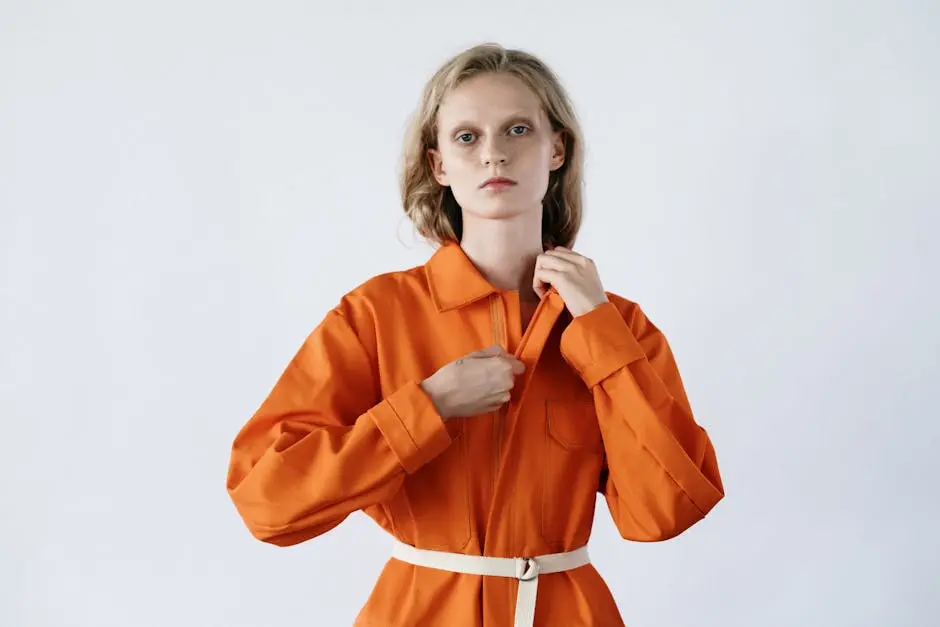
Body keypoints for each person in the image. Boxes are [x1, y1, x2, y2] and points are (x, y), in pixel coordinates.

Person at [225, 42, 724, 627]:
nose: (494, 155)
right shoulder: (378, 314)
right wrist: (428, 407)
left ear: (556, 149)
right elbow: (268, 501)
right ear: (438, 164)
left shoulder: (618, 326)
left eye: (518, 130)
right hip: (421, 612)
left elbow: (666, 510)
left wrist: (600, 335)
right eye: (467, 137)